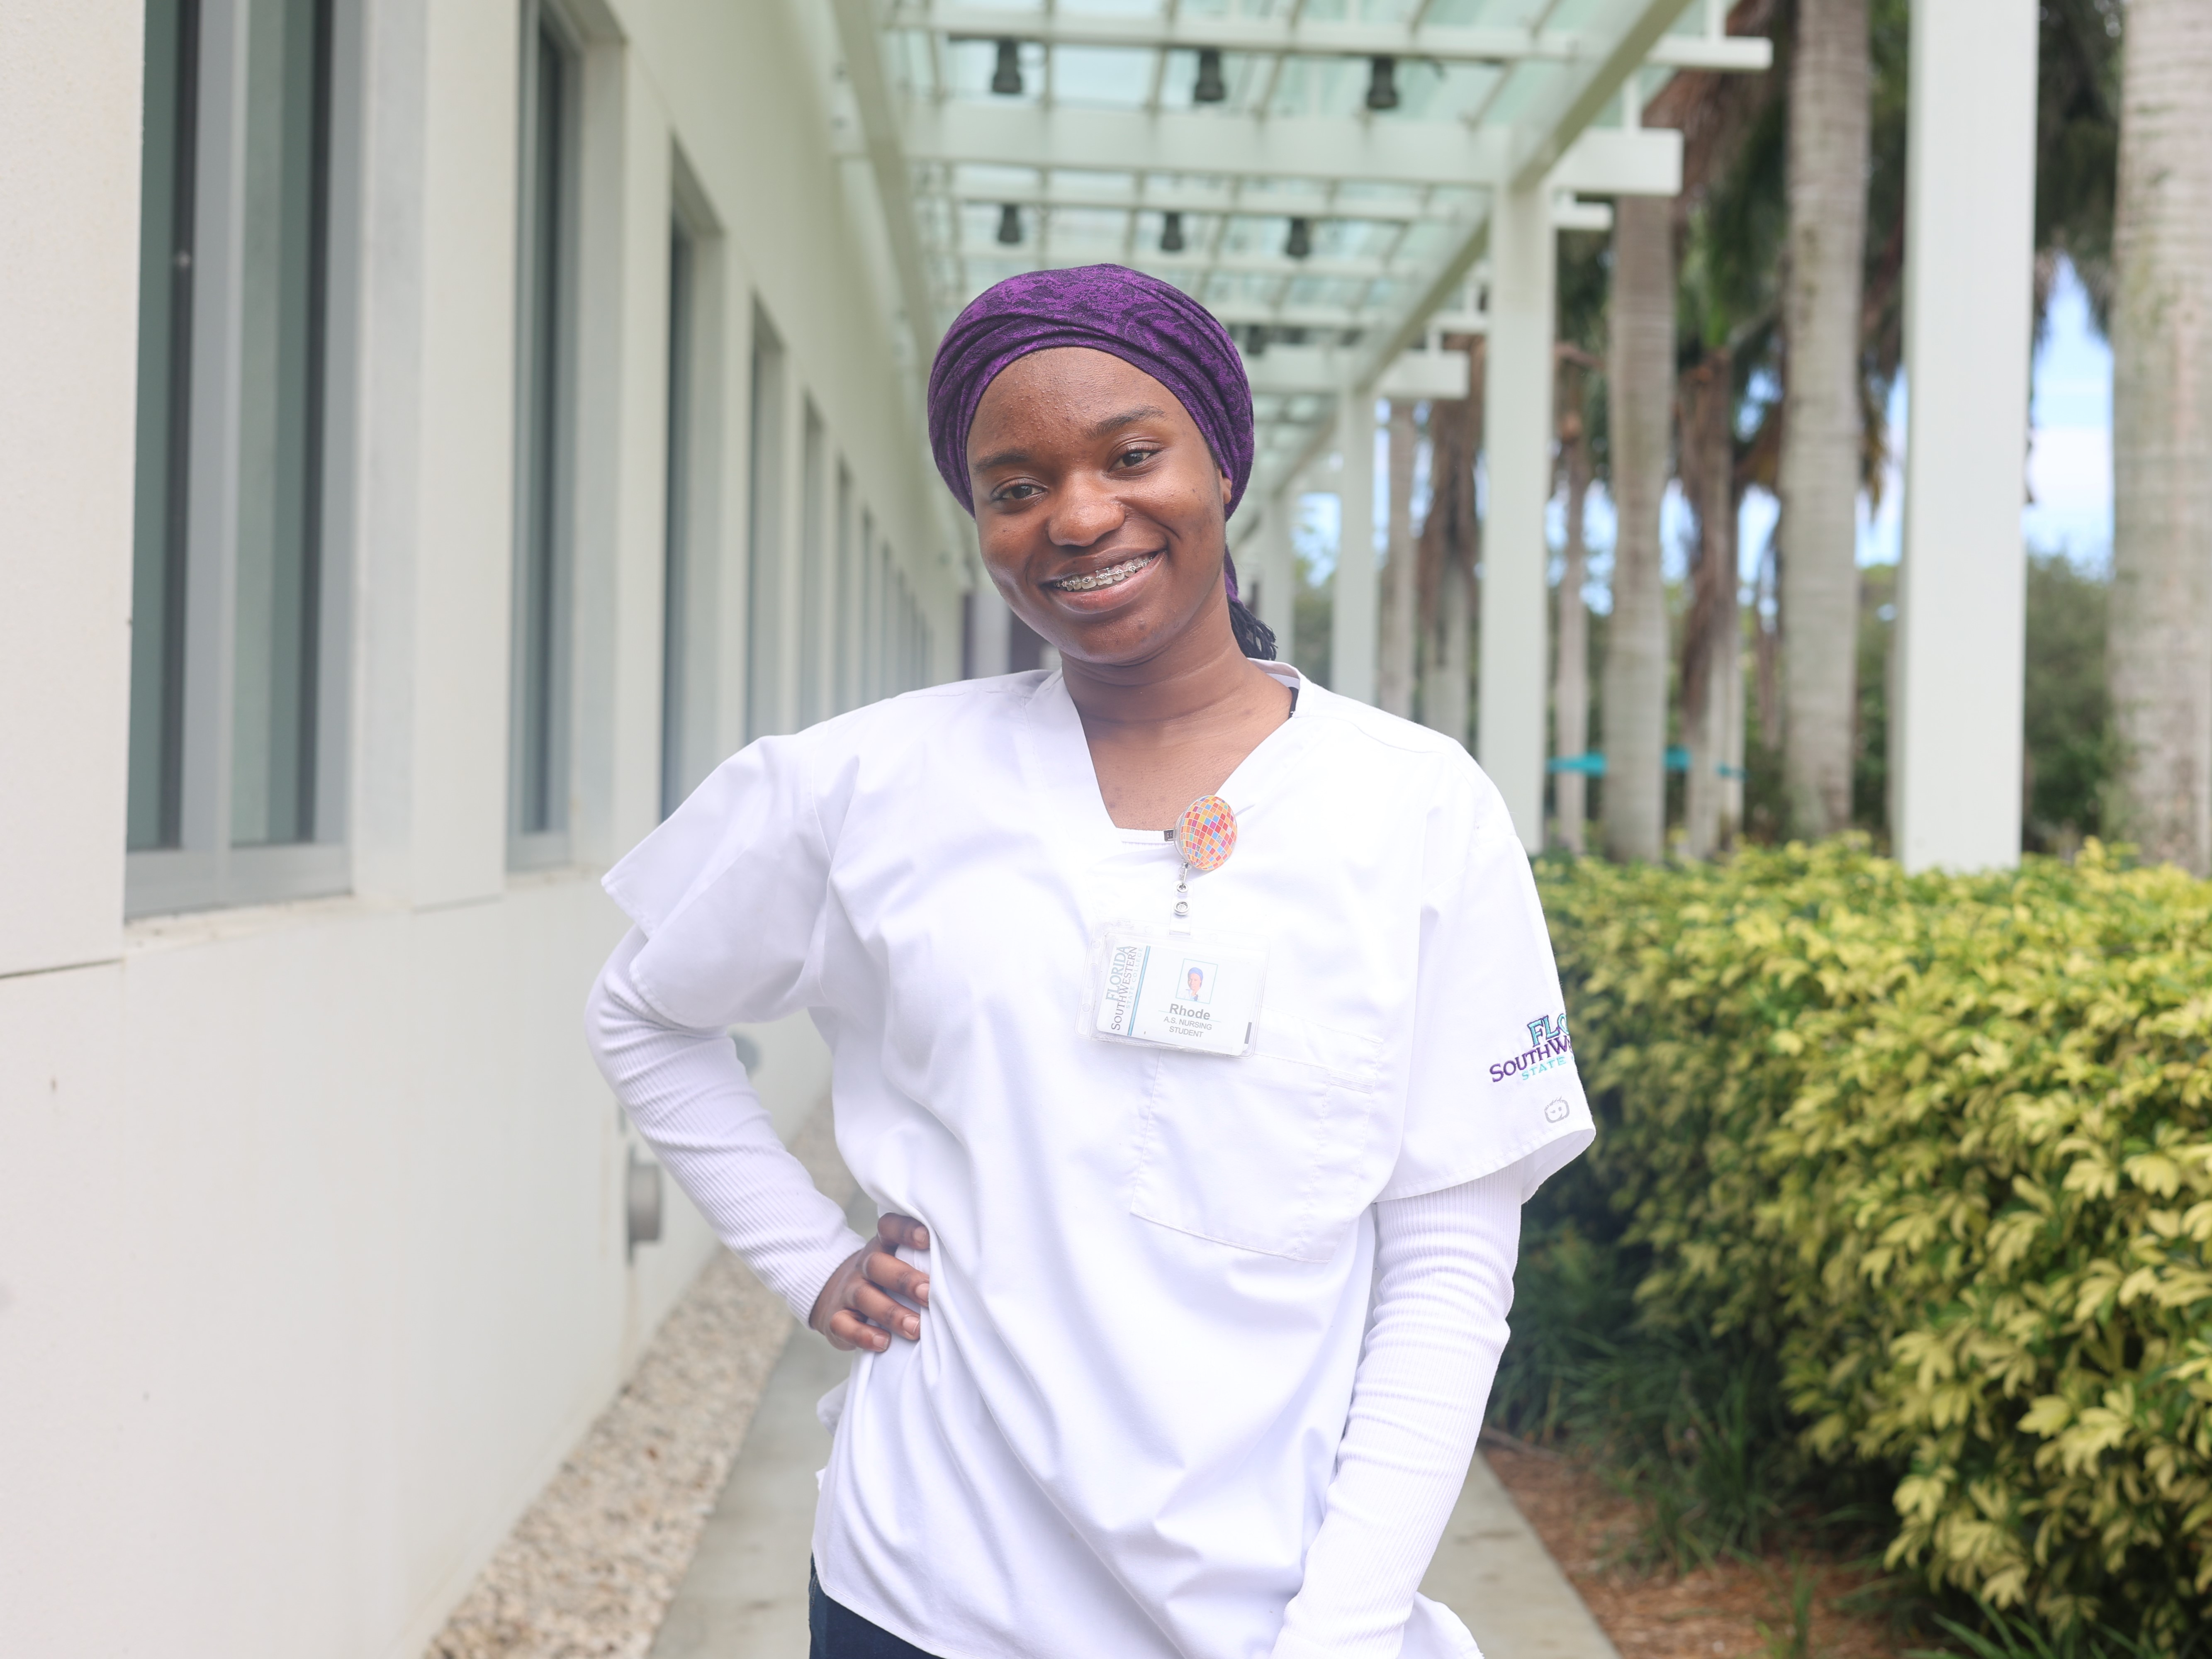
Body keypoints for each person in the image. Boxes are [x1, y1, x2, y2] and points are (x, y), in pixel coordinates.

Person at [586, 264, 1593, 1659]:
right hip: (921, 1595)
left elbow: (1447, 1262)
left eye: (1130, 456)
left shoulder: (1414, 809)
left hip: (1271, 1617)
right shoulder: (871, 786)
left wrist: (1348, 1624)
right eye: (1015, 486)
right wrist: (808, 1257)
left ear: (1220, 462)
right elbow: (642, 1012)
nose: (1076, 517)